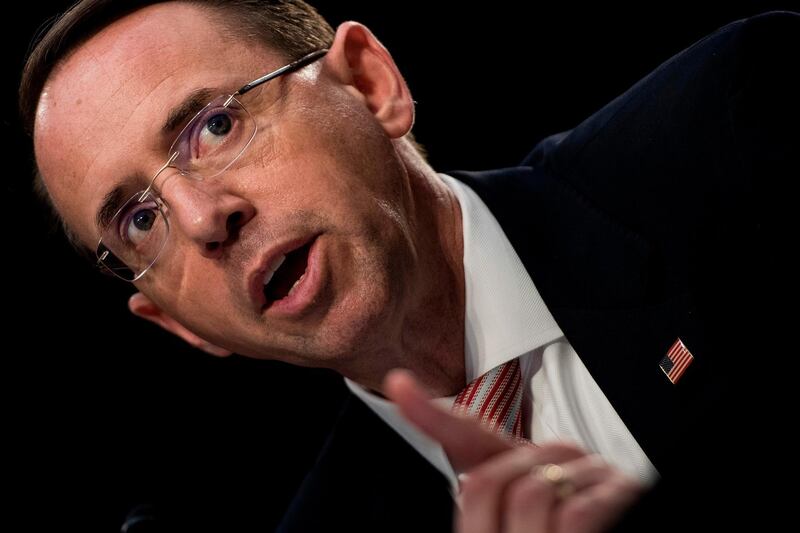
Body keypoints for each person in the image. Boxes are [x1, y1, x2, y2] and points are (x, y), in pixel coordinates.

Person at [19, 1, 798, 531]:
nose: (202, 219)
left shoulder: (741, 126)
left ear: (370, 83)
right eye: (140, 219)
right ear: (177, 323)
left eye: (216, 125)